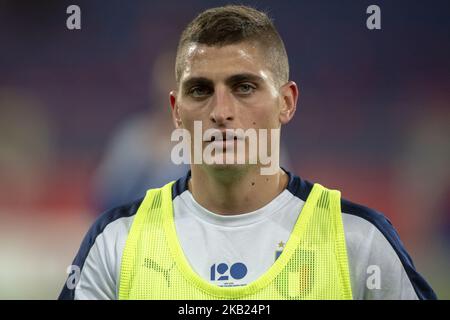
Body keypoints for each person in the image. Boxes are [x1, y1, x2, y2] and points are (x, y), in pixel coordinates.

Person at [59, 5, 436, 300]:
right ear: (176, 109)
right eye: (200, 90)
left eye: (244, 87)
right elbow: (103, 197)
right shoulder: (113, 243)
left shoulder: (360, 242)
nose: (221, 111)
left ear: (286, 103)